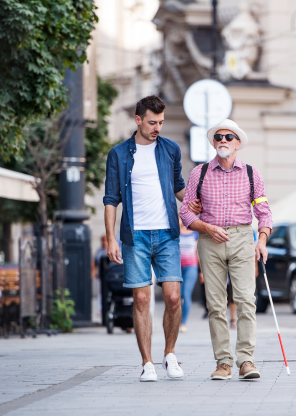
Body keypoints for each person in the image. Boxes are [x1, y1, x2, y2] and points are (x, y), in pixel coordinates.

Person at [180, 118, 272, 381]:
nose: (223, 140)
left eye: (229, 137)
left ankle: (246, 361)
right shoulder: (199, 173)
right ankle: (223, 363)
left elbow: (264, 212)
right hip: (210, 240)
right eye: (218, 137)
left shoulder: (252, 174)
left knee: (245, 300)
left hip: (242, 238)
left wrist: (262, 240)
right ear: (213, 143)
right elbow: (185, 212)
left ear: (238, 144)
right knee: (216, 305)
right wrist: (206, 228)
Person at [103, 95, 186, 382]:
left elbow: (179, 189)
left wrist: (198, 201)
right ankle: (147, 362)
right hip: (134, 235)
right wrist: (111, 238)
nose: (157, 128)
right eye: (152, 122)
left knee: (173, 297)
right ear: (138, 120)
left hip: (167, 234)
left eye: (161, 122)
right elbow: (111, 199)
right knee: (141, 299)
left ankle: (170, 355)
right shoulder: (119, 154)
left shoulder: (171, 150)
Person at [179, 218, 199, 333]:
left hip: (191, 267)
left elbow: (198, 252)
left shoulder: (195, 233)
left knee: (186, 295)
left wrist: (202, 271)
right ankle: (176, 319)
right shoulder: (174, 232)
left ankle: (183, 322)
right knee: (177, 296)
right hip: (177, 268)